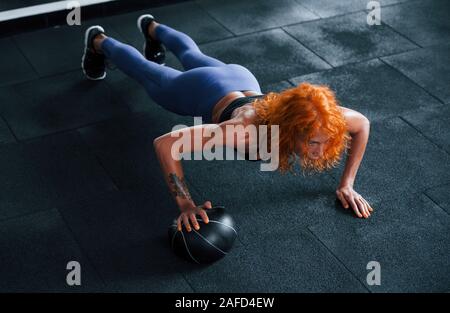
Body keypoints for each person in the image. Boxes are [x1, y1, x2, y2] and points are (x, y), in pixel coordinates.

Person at [81, 14, 373, 233]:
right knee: (148, 72)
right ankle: (98, 41)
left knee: (193, 55)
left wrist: (347, 184)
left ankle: (152, 28)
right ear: (289, 128)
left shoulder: (324, 118)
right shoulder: (243, 132)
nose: (321, 151)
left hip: (241, 78)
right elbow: (166, 144)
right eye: (312, 142)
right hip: (200, 91)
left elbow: (362, 124)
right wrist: (185, 204)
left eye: (324, 141)